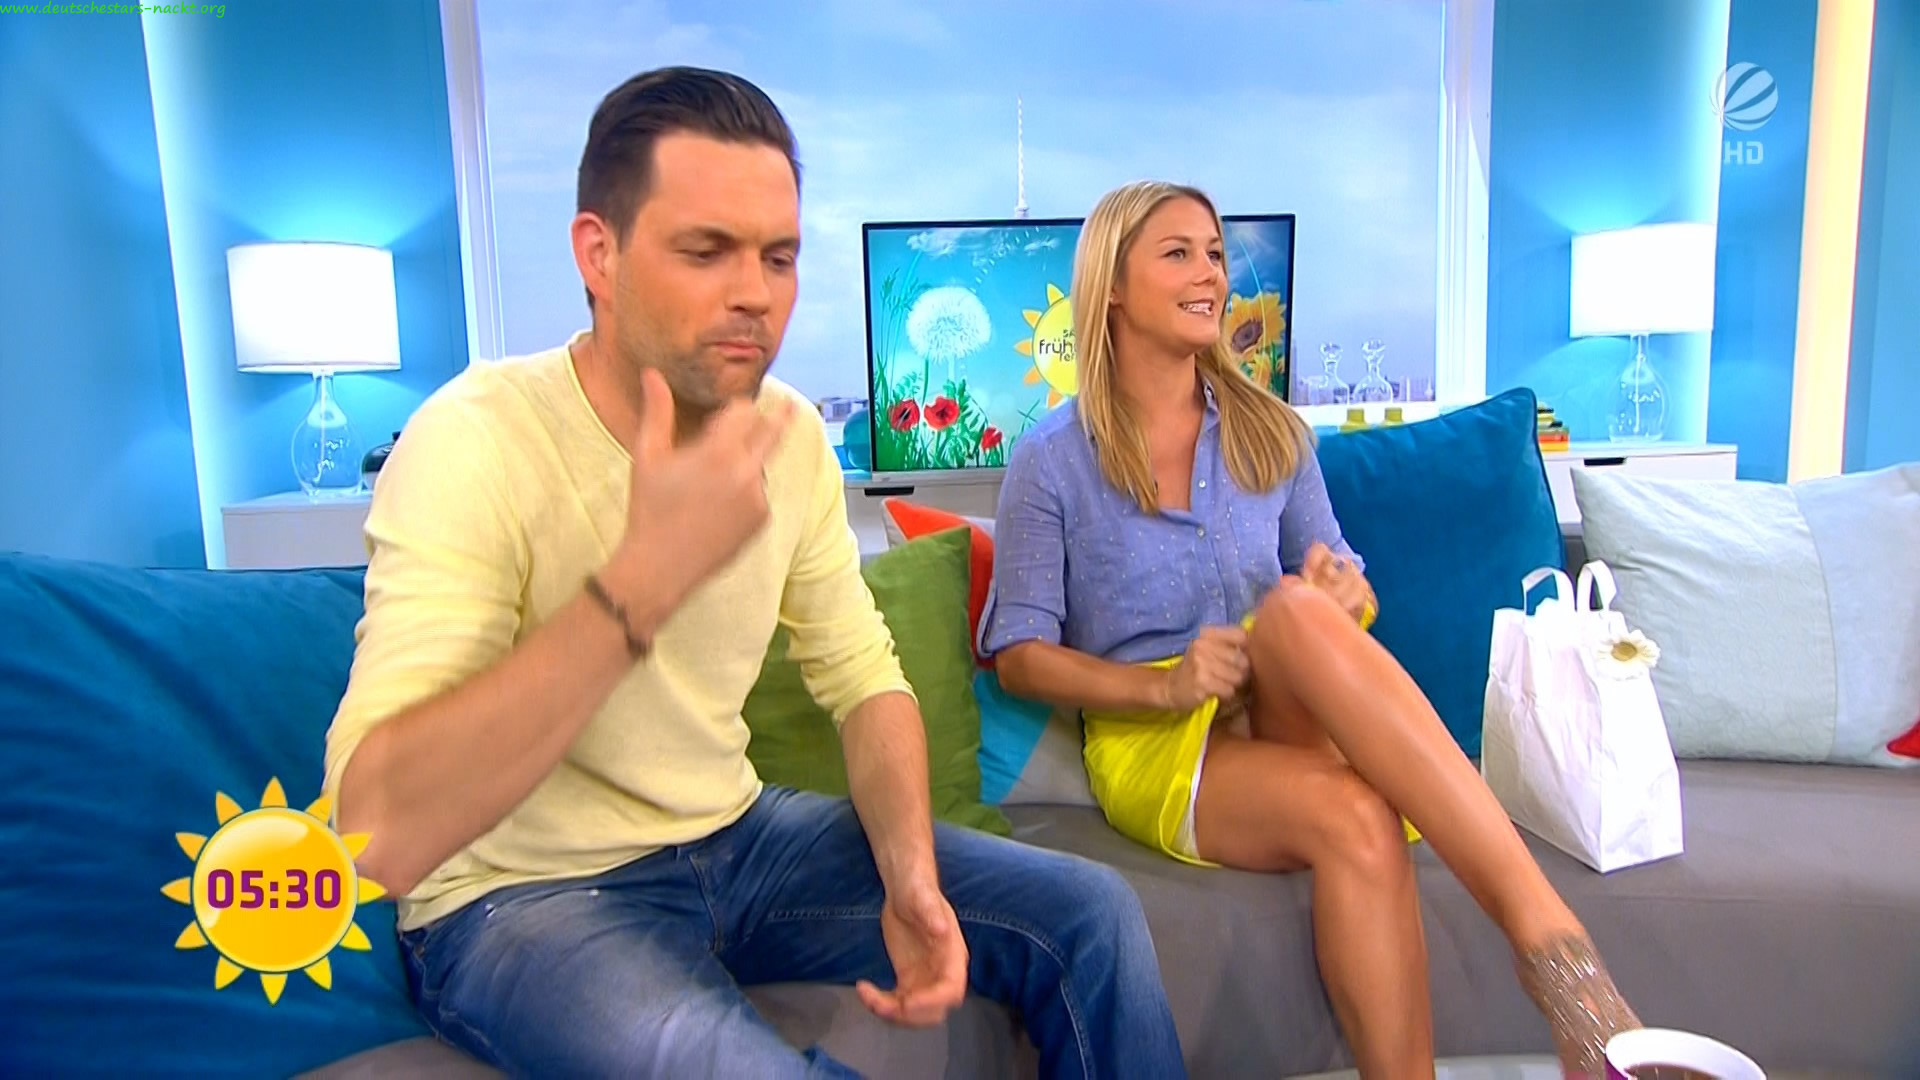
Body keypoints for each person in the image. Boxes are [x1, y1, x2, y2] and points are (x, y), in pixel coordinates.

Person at [322, 68, 1185, 1080]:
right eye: (706, 251)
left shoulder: (787, 437)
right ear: (598, 254)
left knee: (1091, 912)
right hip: (516, 894)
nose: (754, 294)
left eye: (778, 257)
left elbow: (866, 682)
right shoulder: (475, 441)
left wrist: (911, 875)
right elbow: (374, 834)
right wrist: (643, 580)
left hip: (737, 839)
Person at [980, 180, 1644, 1080]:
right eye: (1178, 253)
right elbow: (1019, 657)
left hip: (1288, 695)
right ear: (1113, 288)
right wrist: (1164, 686)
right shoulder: (1050, 461)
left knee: (1297, 609)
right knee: (1358, 819)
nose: (1211, 273)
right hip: (1159, 740)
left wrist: (1345, 597)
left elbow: (1347, 583)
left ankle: (1556, 953)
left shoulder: (1274, 433)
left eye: (1216, 253)